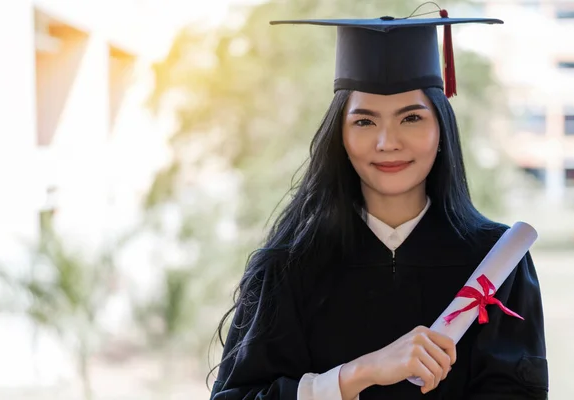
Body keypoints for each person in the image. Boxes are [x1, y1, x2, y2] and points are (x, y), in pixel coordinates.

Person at [208, 8, 549, 400]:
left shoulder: (497, 264)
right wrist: (356, 374)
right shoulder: (288, 267)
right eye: (365, 122)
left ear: (442, 128)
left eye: (411, 118)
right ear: (340, 135)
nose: (387, 142)